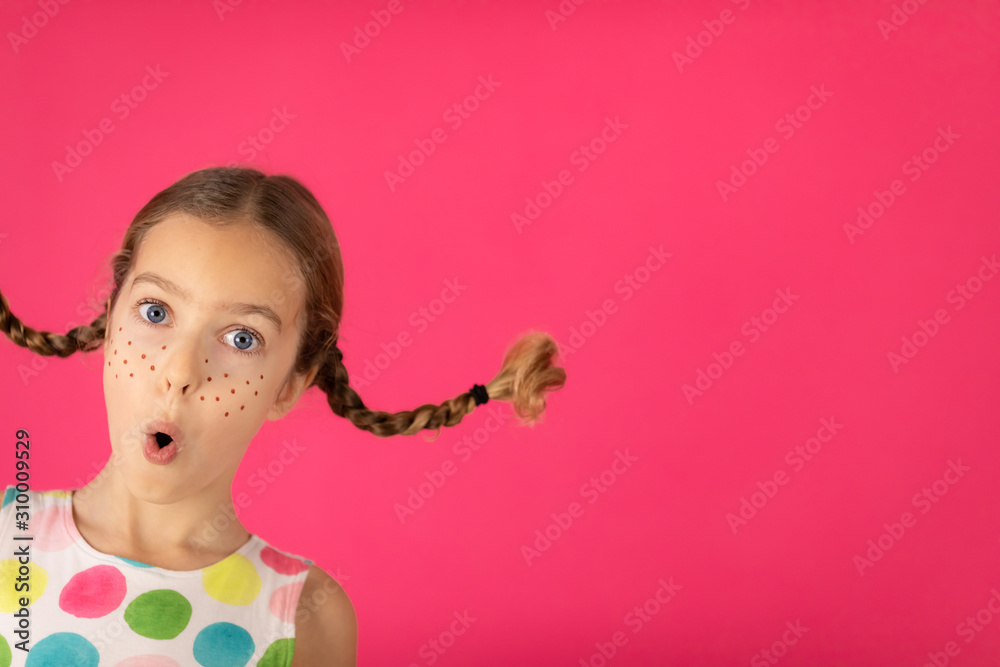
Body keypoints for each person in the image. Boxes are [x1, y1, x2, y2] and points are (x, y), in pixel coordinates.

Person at [0, 166, 566, 665]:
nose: (179, 371)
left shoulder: (304, 619)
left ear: (290, 384)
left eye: (241, 338)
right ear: (111, 314)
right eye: (155, 311)